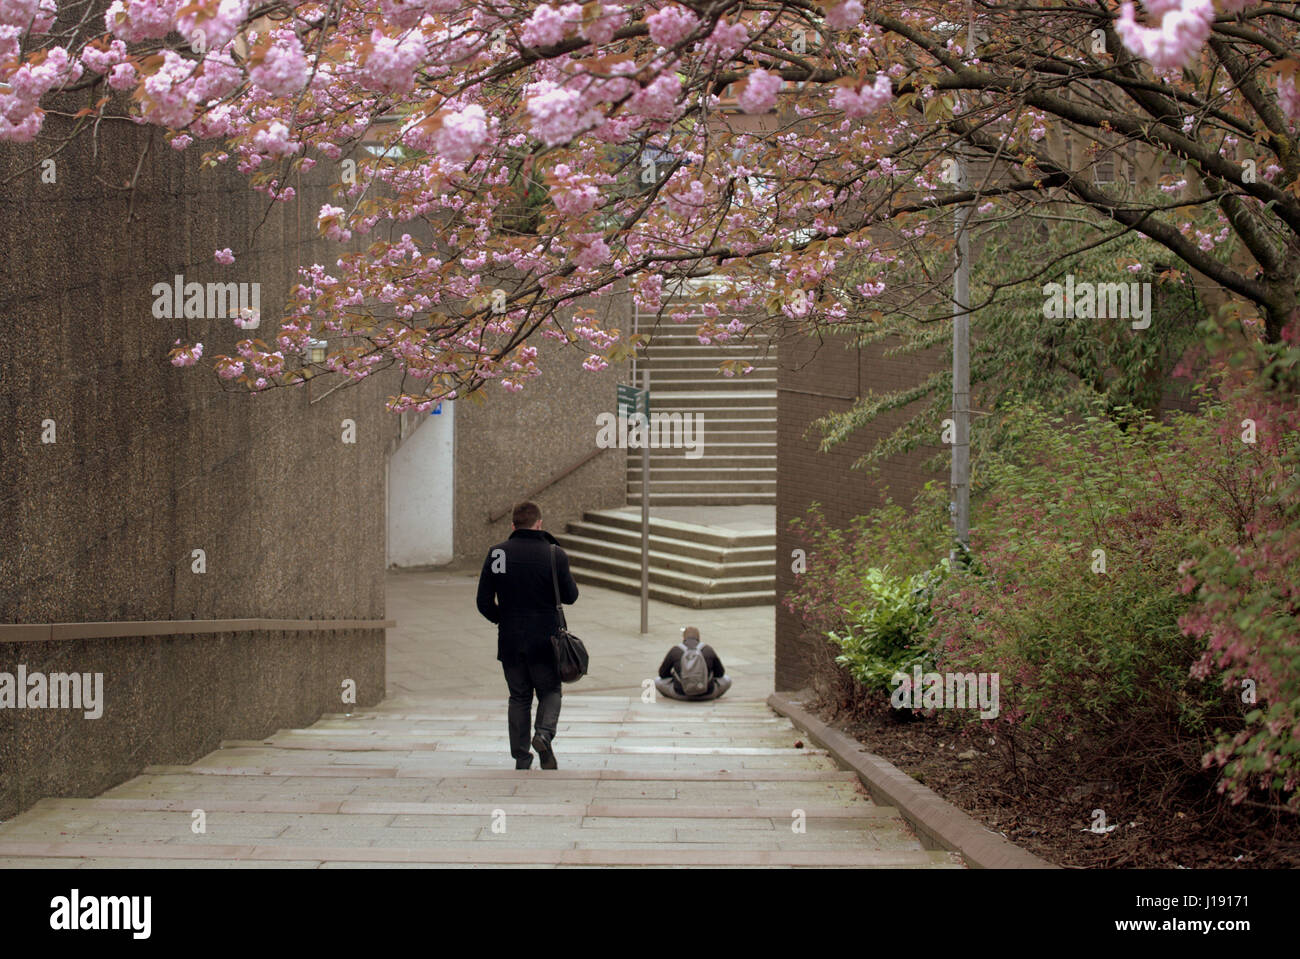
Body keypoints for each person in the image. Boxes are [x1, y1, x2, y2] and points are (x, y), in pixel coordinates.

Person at [476, 501, 578, 770]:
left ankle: (522, 757)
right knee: (550, 691)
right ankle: (543, 734)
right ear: (539, 524)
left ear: (512, 525)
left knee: (519, 697)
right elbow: (571, 596)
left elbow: (483, 602)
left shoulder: (497, 554)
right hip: (546, 639)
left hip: (510, 639)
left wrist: (505, 619)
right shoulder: (554, 554)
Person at [655, 626, 731, 701]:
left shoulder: (675, 650)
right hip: (708, 693)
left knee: (657, 681)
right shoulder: (708, 649)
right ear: (698, 638)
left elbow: (662, 674)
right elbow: (720, 673)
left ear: (684, 638)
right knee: (727, 679)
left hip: (680, 693)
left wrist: (676, 675)